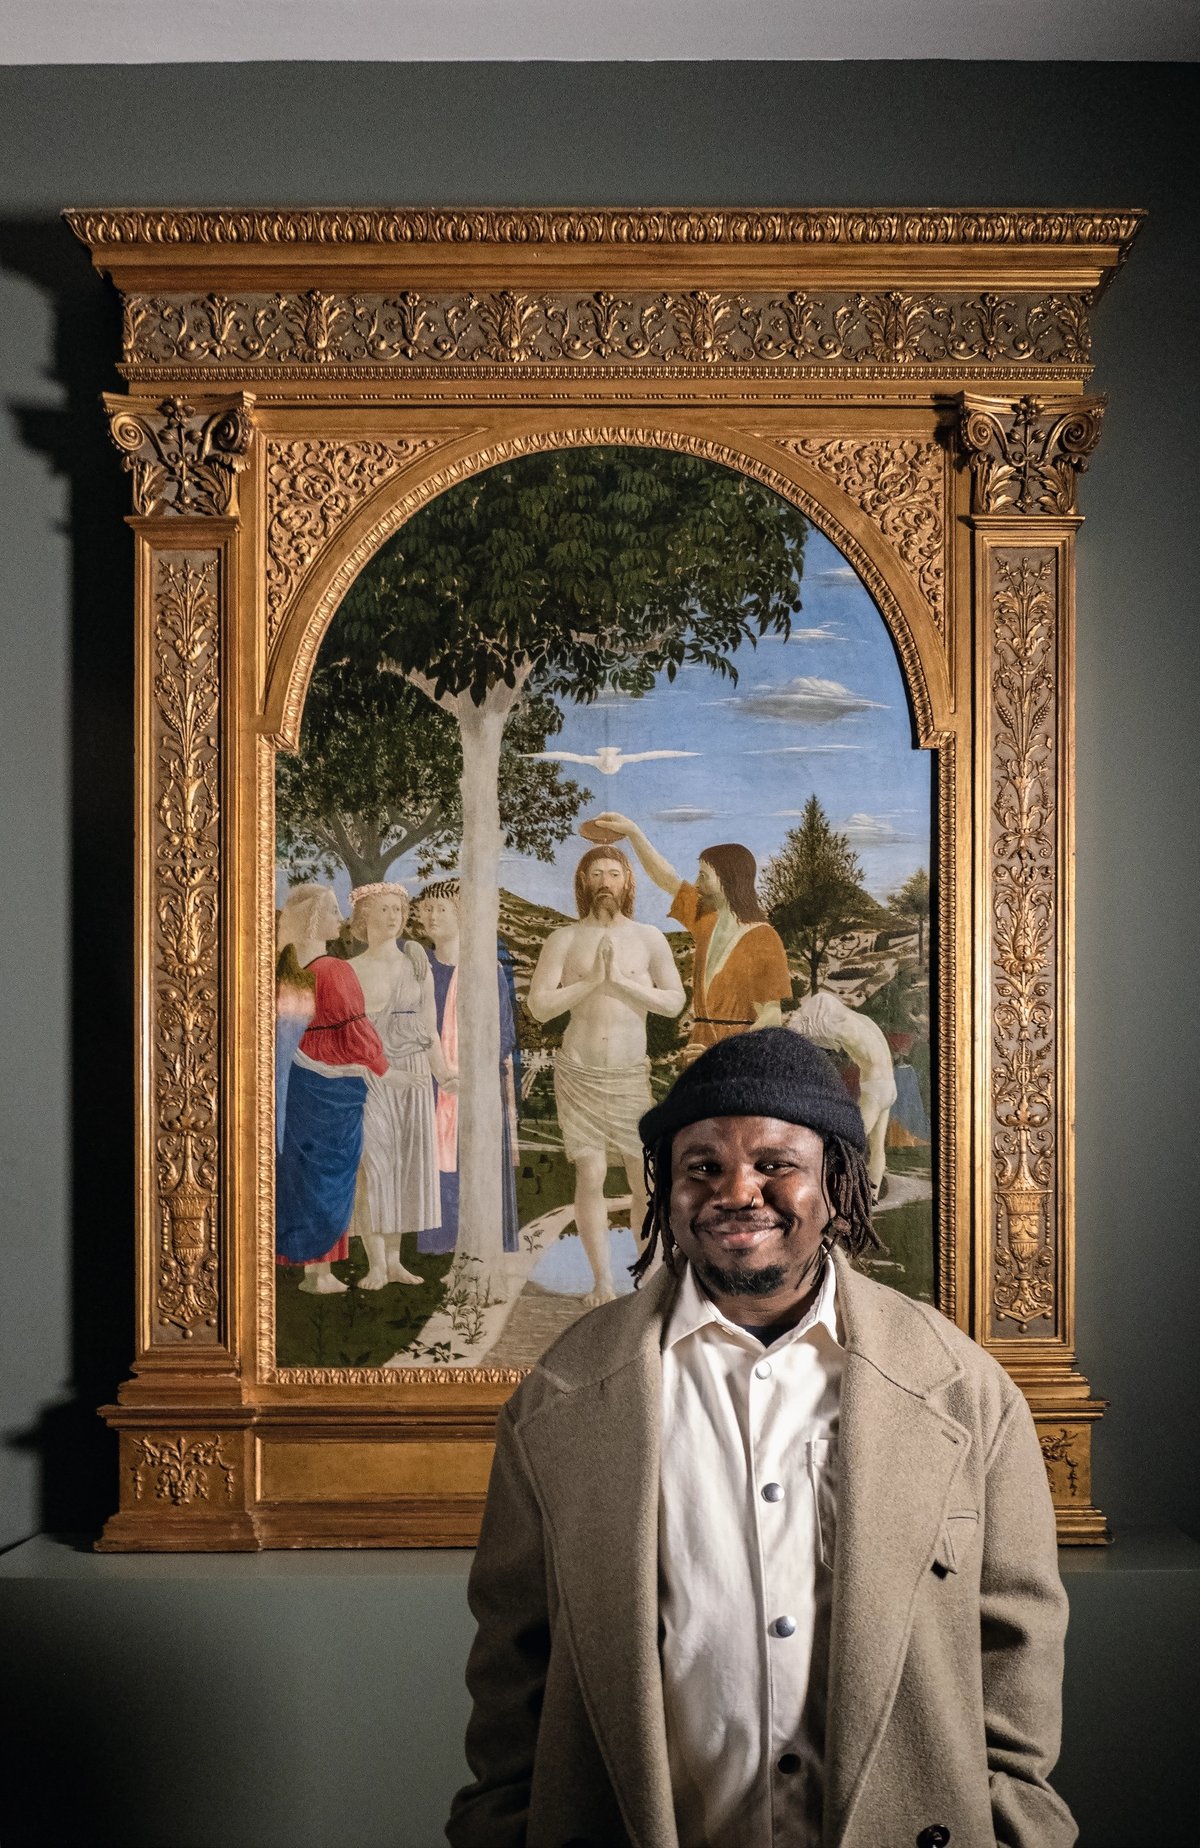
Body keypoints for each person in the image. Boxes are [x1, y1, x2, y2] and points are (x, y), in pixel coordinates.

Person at [448, 1027, 1075, 1848]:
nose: (737, 1191)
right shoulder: (559, 1399)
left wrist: (1016, 1829)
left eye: (776, 1163)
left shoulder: (965, 1392)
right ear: (667, 1190)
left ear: (836, 1183)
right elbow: (511, 1661)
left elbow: (1017, 1646)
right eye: (702, 1167)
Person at [527, 845, 685, 1305]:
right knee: (590, 1172)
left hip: (628, 1075)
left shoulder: (649, 938)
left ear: (627, 883)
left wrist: (620, 981)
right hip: (579, 1071)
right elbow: (539, 1006)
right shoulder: (563, 939)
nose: (604, 883)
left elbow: (674, 1002)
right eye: (595, 874)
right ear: (583, 883)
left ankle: (649, 1275)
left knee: (642, 1176)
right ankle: (602, 1282)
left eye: (613, 874)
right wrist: (592, 981)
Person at [595, 813, 792, 1060]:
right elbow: (668, 880)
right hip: (698, 1051)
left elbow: (770, 1018)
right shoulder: (707, 921)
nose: (696, 884)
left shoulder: (764, 938)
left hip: (739, 1059)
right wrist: (634, 833)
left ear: (728, 881)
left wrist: (723, 1055)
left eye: (704, 876)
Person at [274, 884, 389, 1296]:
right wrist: (383, 1067)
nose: (340, 920)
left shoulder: (286, 969)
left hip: (296, 1085)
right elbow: (355, 1034)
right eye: (332, 911)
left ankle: (312, 1271)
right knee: (330, 1175)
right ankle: (320, 1275)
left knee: (301, 1174)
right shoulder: (334, 970)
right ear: (311, 920)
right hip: (332, 1088)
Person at [348, 882, 455, 1290]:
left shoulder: (416, 965)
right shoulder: (350, 969)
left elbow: (428, 1027)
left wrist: (443, 1073)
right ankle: (375, 1264)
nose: (393, 916)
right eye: (383, 910)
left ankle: (394, 1263)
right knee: (373, 1166)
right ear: (364, 917)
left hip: (413, 1072)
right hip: (369, 1072)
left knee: (403, 1169)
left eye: (398, 909)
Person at [414, 878, 520, 1257]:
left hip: (478, 1085)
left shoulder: (486, 970)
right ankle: (439, 1240)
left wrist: (471, 1075)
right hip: (428, 1081)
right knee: (434, 1164)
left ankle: (481, 1240)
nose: (432, 916)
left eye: (442, 909)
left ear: (462, 915)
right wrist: (439, 1071)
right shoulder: (419, 968)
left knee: (475, 1162)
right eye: (427, 908)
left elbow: (504, 1033)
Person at [791, 986, 899, 1200]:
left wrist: (799, 1030)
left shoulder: (843, 1025)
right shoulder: (864, 1022)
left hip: (875, 1092)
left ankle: (838, 1195)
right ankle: (872, 1197)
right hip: (888, 1088)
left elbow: (814, 1033)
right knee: (877, 1148)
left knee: (846, 1144)